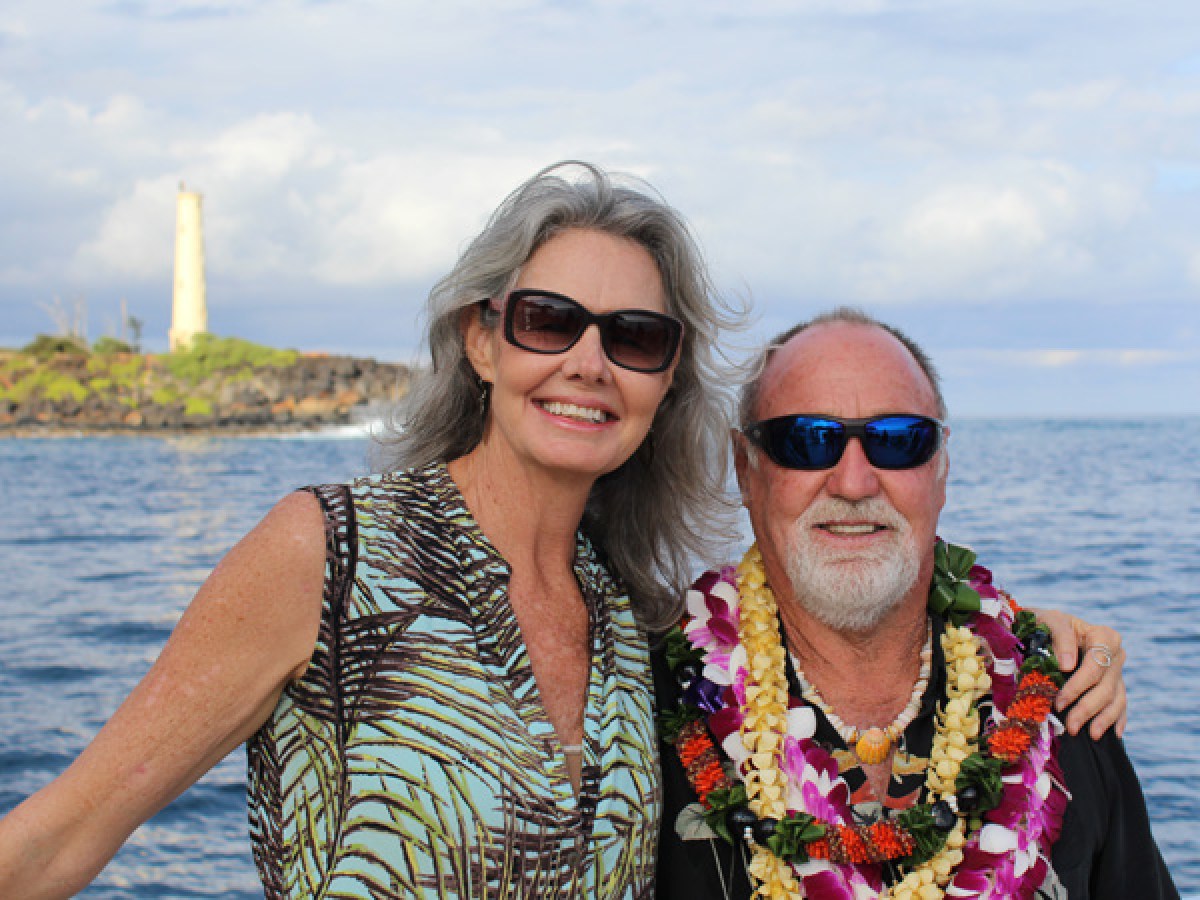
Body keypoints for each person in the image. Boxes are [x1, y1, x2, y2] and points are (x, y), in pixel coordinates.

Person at [0, 167, 1125, 900]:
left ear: (665, 381)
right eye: (549, 321)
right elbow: (61, 840)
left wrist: (1034, 637)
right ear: (481, 340)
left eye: (633, 337)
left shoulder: (633, 621)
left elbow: (843, 621)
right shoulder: (329, 556)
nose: (589, 362)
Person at [654, 308, 1177, 899]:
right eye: (807, 440)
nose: (853, 483)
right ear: (745, 468)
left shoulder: (1058, 700)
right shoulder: (654, 701)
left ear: (941, 468)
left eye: (898, 441)